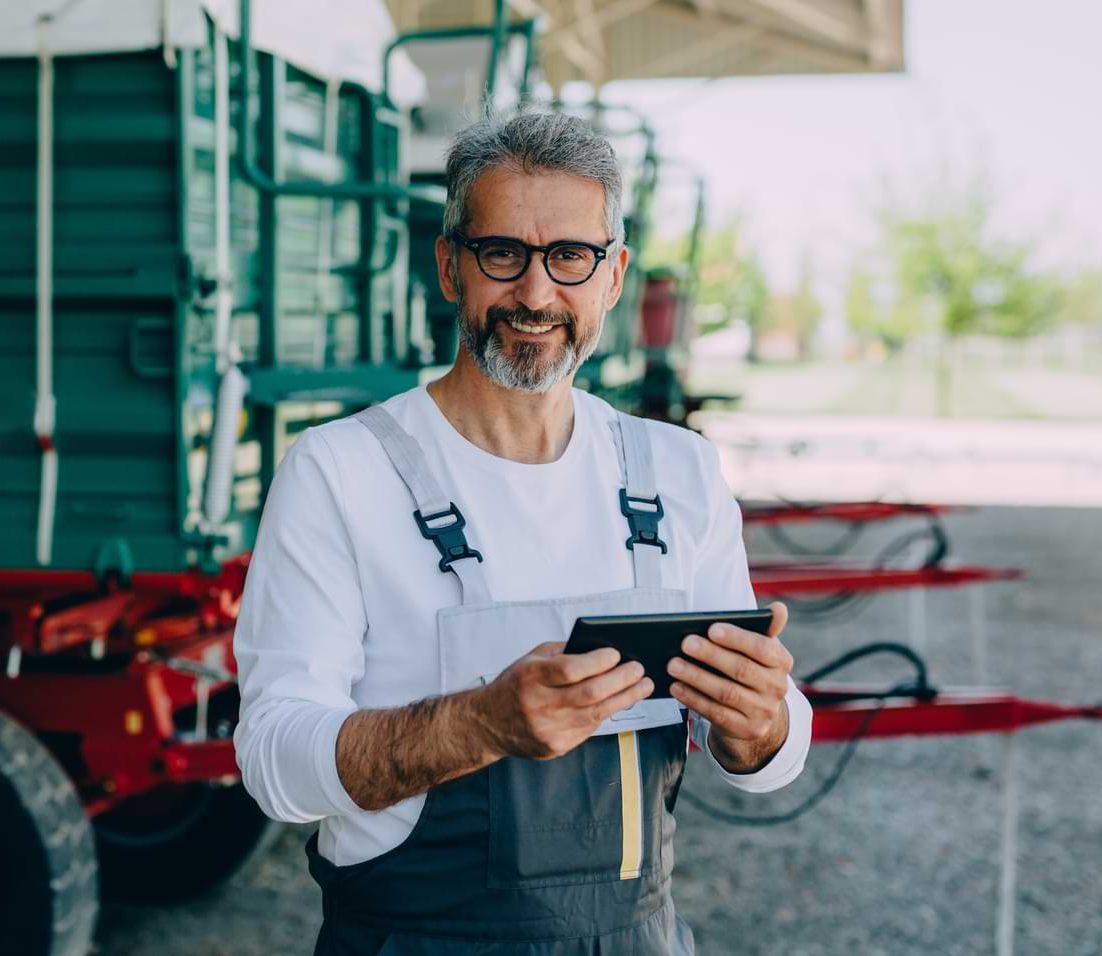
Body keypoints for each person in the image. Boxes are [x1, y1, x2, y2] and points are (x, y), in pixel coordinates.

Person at [233, 111, 812, 956]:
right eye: (502, 253)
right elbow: (274, 765)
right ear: (448, 266)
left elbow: (776, 743)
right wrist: (478, 724)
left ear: (613, 276)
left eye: (570, 257)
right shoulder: (341, 472)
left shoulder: (677, 473)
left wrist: (759, 724)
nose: (536, 295)